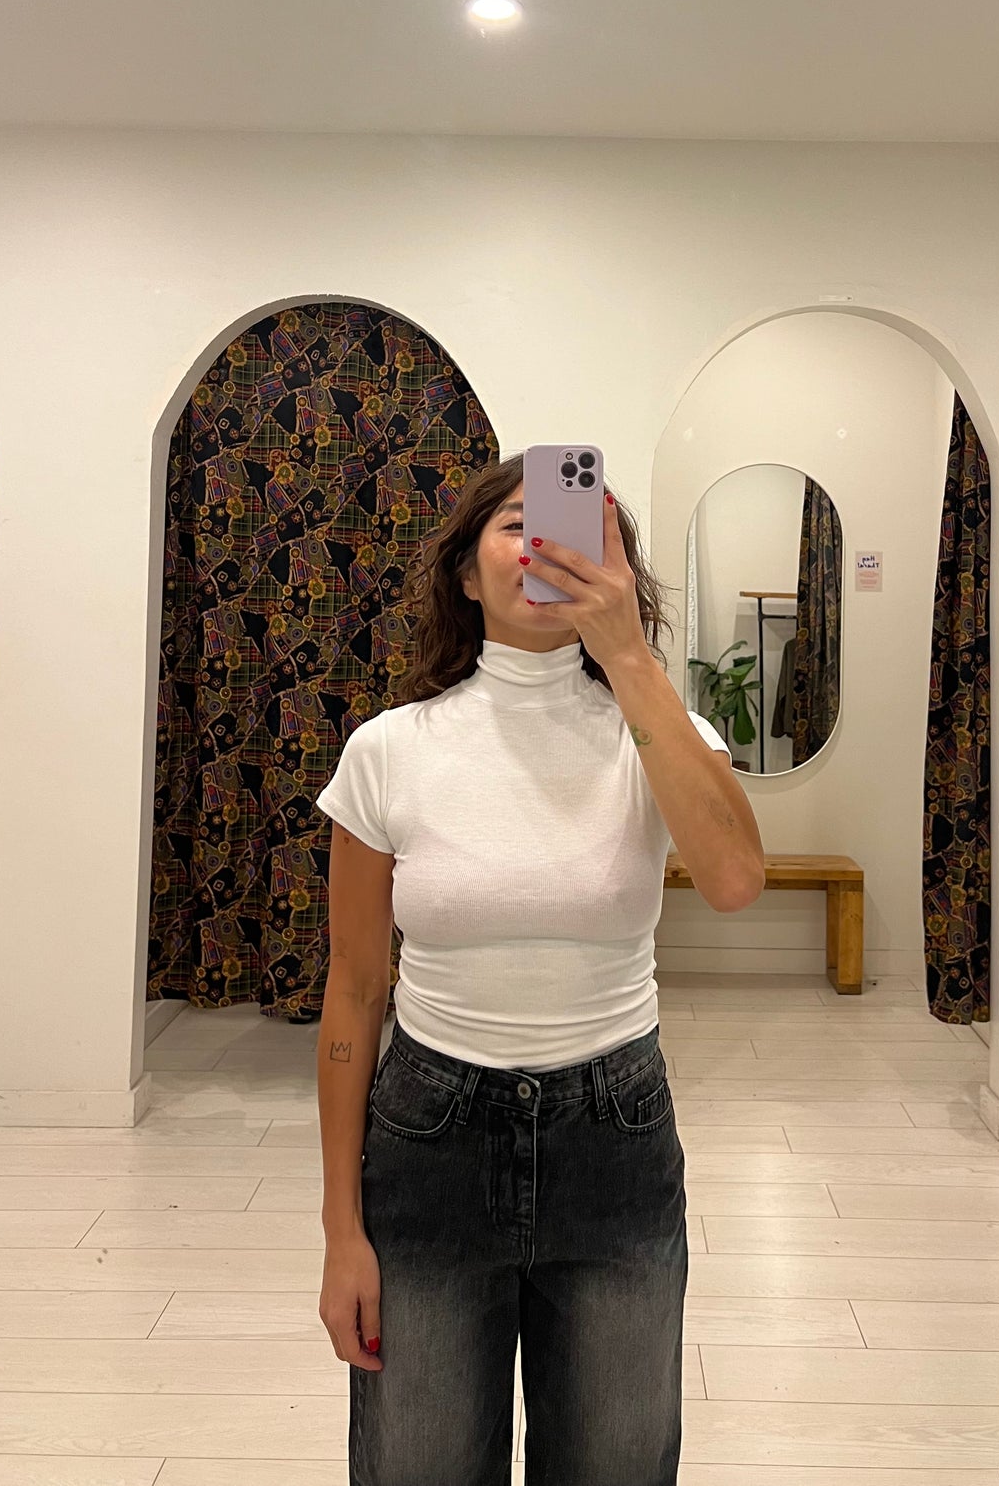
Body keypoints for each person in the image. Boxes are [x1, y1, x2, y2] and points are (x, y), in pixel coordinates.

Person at [314, 453, 765, 1486]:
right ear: (465, 574)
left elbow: (736, 879)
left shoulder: (663, 735)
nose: (546, 546)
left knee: (614, 1465)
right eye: (518, 524)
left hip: (614, 1135)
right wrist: (341, 1228)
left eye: (580, 531)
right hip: (428, 1136)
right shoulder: (388, 750)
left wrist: (627, 653)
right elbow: (355, 989)